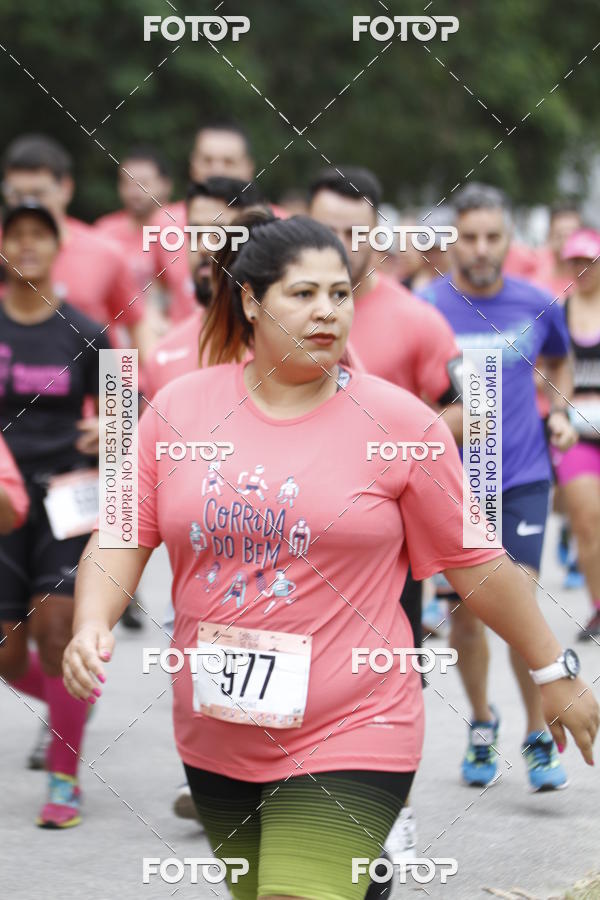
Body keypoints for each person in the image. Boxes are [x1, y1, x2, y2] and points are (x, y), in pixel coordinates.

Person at [64, 213, 598, 900]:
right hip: (216, 730)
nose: (327, 312)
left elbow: (478, 563)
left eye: (339, 294)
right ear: (251, 300)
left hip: (357, 723)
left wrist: (552, 667)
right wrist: (92, 620)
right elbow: (121, 534)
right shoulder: (178, 411)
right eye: (304, 294)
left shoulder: (401, 424)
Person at [309, 166, 462, 860]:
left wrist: (402, 443)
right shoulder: (287, 306)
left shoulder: (416, 318)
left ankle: (389, 805)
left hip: (390, 538)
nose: (341, 244)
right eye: (327, 229)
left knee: (389, 668)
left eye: (355, 231)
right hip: (294, 531)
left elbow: (472, 409)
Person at [422, 182, 579, 792]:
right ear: (451, 240)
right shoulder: (427, 307)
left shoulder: (539, 302)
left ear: (510, 239)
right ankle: (481, 725)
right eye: (470, 236)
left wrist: (558, 410)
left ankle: (538, 735)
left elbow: (560, 361)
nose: (482, 249)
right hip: (453, 485)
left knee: (520, 609)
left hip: (522, 477)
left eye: (493, 236)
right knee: (464, 622)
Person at [0, 200, 110, 827]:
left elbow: (129, 408)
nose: (28, 246)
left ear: (58, 245)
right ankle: (71, 700)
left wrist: (109, 431)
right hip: (3, 500)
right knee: (9, 655)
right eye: (16, 236)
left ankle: (65, 778)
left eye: (40, 236)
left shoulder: (86, 331)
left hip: (68, 495)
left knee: (58, 630)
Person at [2, 134, 153, 363]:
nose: (27, 204)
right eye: (16, 194)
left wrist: (121, 396)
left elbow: (133, 330)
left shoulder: (105, 253)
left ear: (66, 189)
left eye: (38, 194)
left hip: (86, 394)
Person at [143, 177, 263, 402]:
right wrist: (117, 431)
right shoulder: (163, 354)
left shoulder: (287, 347)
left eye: (219, 233)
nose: (204, 247)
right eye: (195, 233)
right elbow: (134, 432)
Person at [550, 228, 600, 641]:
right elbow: (542, 372)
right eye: (575, 262)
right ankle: (599, 607)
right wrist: (559, 410)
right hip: (575, 433)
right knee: (586, 522)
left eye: (590, 261)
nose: (582, 270)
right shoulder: (558, 313)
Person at [95, 145, 173, 337]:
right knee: (111, 368)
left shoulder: (182, 230)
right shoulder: (103, 232)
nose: (135, 192)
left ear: (166, 185)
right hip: (115, 343)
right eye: (128, 183)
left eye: (144, 183)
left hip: (169, 337)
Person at [534, 201, 583, 300]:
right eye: (559, 235)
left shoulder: (591, 273)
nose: (565, 242)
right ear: (549, 236)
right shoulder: (534, 264)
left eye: (571, 235)